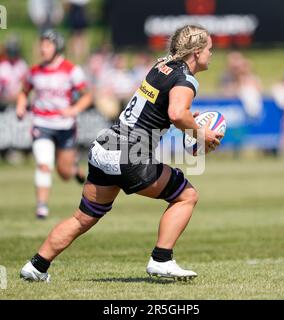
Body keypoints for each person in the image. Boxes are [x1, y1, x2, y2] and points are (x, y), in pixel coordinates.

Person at [20, 25, 222, 282]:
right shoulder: (186, 78)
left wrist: (186, 123)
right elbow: (175, 113)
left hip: (106, 145)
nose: (212, 54)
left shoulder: (162, 65)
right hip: (130, 152)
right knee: (186, 196)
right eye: (209, 49)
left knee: (83, 217)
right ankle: (162, 259)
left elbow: (161, 110)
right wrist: (199, 132)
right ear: (195, 52)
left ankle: (36, 266)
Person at [16, 30, 92, 219]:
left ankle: (73, 169)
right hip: (41, 123)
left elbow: (87, 96)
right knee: (44, 164)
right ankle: (41, 207)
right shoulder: (34, 71)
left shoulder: (71, 70)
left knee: (64, 173)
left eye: (47, 44)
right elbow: (23, 91)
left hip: (65, 125)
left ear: (57, 47)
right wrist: (20, 105)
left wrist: (74, 110)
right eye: (41, 44)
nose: (43, 48)